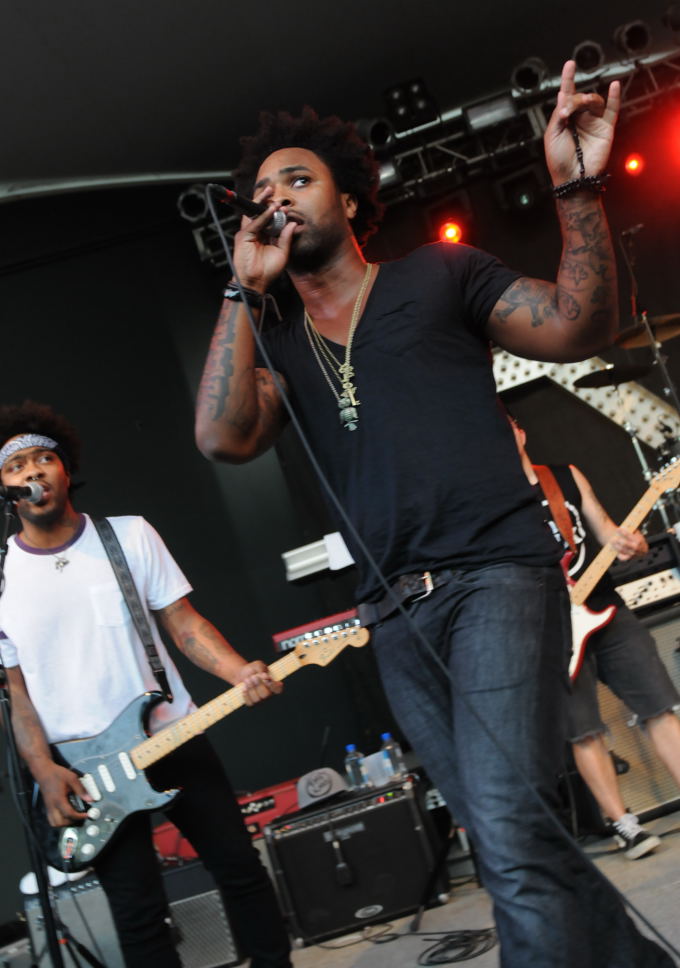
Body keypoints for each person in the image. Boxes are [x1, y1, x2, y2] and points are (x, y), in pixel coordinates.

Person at [195, 61, 675, 966]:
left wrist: (576, 188)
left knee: (510, 826)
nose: (277, 198)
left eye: (298, 179)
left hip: (496, 575)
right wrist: (241, 290)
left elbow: (578, 326)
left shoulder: (439, 274)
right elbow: (221, 438)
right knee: (508, 841)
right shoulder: (279, 341)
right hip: (395, 617)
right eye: (263, 191)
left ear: (348, 198)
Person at [0, 401, 292, 968]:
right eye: (16, 466)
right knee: (137, 913)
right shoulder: (4, 577)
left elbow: (184, 625)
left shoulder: (128, 536)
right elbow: (18, 696)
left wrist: (239, 671)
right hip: (84, 770)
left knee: (240, 870)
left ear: (65, 469)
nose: (32, 471)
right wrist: (44, 770)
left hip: (171, 736)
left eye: (43, 459)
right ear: (6, 488)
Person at [511, 417, 680, 859]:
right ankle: (625, 825)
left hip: (605, 606)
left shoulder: (564, 477)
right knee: (584, 731)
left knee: (659, 706)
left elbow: (607, 531)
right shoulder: (493, 502)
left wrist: (632, 545)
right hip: (549, 628)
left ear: (520, 432)